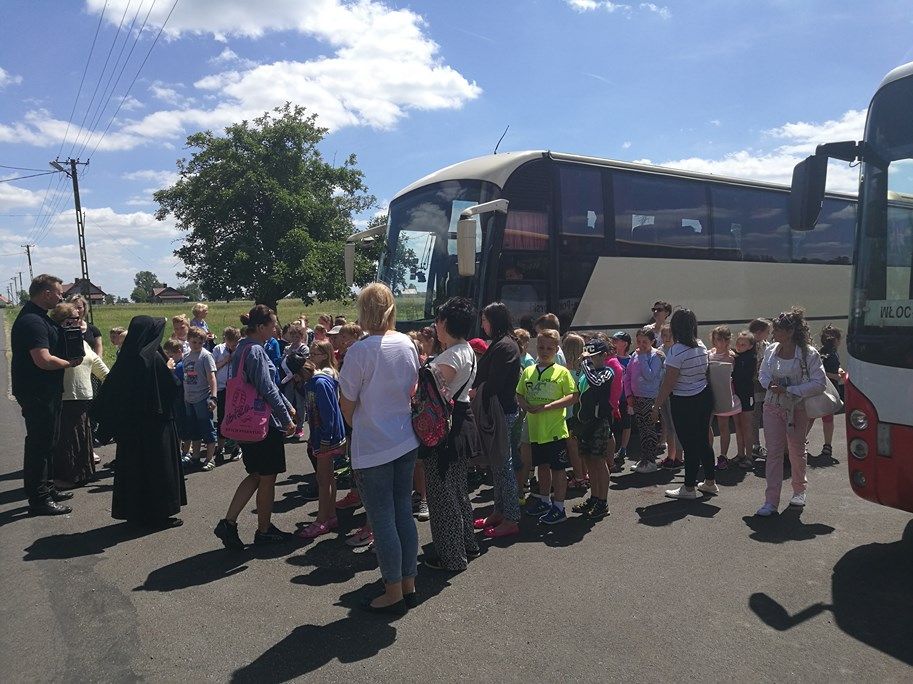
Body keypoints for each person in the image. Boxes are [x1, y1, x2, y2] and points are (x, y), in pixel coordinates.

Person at [338, 283, 420, 614]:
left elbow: (347, 403)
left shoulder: (360, 351)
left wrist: (360, 424)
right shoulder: (407, 343)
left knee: (383, 518)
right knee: (403, 512)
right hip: (405, 438)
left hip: (373, 445)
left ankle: (393, 591)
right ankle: (408, 583)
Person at [214, 305, 296, 547]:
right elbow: (267, 387)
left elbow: (262, 383)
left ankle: (229, 522)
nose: (276, 328)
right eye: (272, 324)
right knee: (268, 477)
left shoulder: (242, 347)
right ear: (260, 327)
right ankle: (264, 529)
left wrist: (286, 405)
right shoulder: (256, 350)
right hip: (262, 423)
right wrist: (286, 418)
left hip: (244, 421)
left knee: (256, 474)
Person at [93, 316, 187, 527]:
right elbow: (172, 387)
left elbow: (110, 392)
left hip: (130, 428)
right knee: (158, 468)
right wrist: (169, 369)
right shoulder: (154, 359)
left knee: (134, 470)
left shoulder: (126, 358)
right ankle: (159, 514)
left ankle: (134, 512)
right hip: (156, 425)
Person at [422, 297, 482, 570]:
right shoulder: (466, 349)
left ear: (445, 322)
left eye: (438, 320)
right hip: (459, 423)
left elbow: (432, 393)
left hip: (445, 429)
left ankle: (452, 557)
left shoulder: (450, 356)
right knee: (457, 491)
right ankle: (467, 544)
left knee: (442, 496)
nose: (436, 325)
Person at [11, 274, 79, 515]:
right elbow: (43, 360)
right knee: (40, 444)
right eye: (59, 292)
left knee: (49, 441)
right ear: (46, 293)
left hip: (46, 390)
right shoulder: (33, 321)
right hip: (37, 391)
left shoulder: (40, 317)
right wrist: (70, 364)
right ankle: (39, 499)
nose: (61, 297)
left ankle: (48, 488)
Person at [756, 308, 826, 516]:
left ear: (790, 331)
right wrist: (770, 385)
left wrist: (789, 390)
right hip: (772, 406)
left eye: (778, 329)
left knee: (796, 450)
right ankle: (771, 501)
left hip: (797, 408)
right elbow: (763, 374)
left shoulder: (808, 353)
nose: (774, 333)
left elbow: (819, 383)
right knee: (774, 453)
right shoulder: (771, 350)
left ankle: (799, 490)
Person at [652, 308, 717, 500]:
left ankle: (689, 488)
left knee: (689, 444)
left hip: (684, 400)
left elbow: (669, 383)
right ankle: (710, 482)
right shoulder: (701, 345)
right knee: (703, 440)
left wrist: (656, 406)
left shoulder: (677, 350)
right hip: (703, 396)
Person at [517, 328, 579, 524]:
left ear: (557, 349)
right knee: (542, 467)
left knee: (558, 469)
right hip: (536, 431)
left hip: (554, 431)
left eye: (549, 348)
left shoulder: (562, 372)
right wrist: (525, 405)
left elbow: (573, 396)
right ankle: (544, 501)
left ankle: (559, 507)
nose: (544, 351)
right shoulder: (529, 371)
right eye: (541, 347)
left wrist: (549, 406)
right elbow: (519, 393)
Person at [471, 302, 522, 539]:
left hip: (502, 412)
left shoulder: (505, 346)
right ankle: (500, 512)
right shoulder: (502, 343)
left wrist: (475, 391)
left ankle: (511, 518)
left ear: (495, 321)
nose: (482, 324)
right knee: (499, 465)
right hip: (499, 410)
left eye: (485, 320)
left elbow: (495, 383)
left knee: (503, 466)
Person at [49, 303, 109, 489]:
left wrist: (113, 381)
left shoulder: (82, 342)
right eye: (75, 318)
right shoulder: (55, 341)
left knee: (82, 437)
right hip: (65, 396)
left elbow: (97, 365)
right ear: (63, 321)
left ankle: (80, 474)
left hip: (83, 396)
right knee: (68, 439)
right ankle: (65, 478)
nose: (80, 321)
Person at [289, 357, 347, 540]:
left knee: (323, 479)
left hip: (326, 438)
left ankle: (321, 520)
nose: (295, 380)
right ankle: (331, 515)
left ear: (301, 372)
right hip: (321, 436)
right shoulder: (311, 384)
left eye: (296, 376)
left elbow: (329, 413)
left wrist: (325, 438)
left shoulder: (320, 383)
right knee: (328, 477)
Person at [568, 339, 614, 520]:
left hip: (598, 423)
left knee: (599, 461)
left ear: (604, 356)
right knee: (588, 461)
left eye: (594, 357)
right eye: (587, 357)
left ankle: (603, 502)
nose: (589, 360)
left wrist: (586, 363)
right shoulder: (585, 372)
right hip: (584, 423)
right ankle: (594, 497)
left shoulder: (607, 372)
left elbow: (596, 383)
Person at [624, 327, 663, 473]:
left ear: (652, 341)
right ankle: (644, 458)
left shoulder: (655, 356)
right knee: (642, 429)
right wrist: (629, 394)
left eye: (645, 342)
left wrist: (642, 357)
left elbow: (650, 376)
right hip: (636, 396)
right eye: (639, 341)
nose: (641, 345)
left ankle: (651, 460)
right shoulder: (635, 354)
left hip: (649, 397)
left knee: (649, 429)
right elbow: (627, 375)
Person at [808, 325, 847, 462]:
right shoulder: (830, 354)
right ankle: (827, 445)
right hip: (828, 391)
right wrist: (837, 376)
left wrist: (839, 370)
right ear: (836, 340)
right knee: (827, 419)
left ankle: (801, 441)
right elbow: (824, 373)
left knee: (811, 416)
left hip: (817, 391)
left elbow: (834, 367)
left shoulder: (822, 352)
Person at [183, 326, 219, 471]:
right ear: (188, 340)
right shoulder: (186, 356)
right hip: (189, 398)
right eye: (194, 342)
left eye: (200, 342)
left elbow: (212, 378)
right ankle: (196, 456)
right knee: (194, 430)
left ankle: (210, 459)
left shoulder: (205, 356)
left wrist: (213, 397)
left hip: (202, 397)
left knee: (207, 428)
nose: (196, 345)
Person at [708, 325, 739, 469]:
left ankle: (723, 456)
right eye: (718, 339)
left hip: (724, 393)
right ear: (713, 340)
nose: (722, 342)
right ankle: (707, 454)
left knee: (723, 426)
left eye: (725, 339)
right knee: (706, 425)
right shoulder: (708, 354)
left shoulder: (731, 357)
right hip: (709, 394)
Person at [212, 327, 242, 463]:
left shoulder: (240, 350)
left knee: (236, 417)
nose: (232, 347)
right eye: (230, 344)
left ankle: (237, 447)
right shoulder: (218, 349)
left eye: (235, 344)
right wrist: (225, 360)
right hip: (222, 388)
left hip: (235, 388)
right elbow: (212, 368)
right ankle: (220, 447)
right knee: (222, 417)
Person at [656, 324, 683, 469]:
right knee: (667, 424)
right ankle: (670, 456)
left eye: (670, 335)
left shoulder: (676, 350)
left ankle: (679, 457)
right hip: (662, 392)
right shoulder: (659, 350)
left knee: (676, 425)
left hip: (674, 392)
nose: (667, 338)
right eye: (664, 335)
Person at [732, 331, 758, 469]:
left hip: (746, 395)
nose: (739, 346)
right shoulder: (734, 356)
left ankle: (749, 456)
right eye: (738, 343)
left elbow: (744, 375)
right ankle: (740, 453)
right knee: (737, 425)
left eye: (743, 344)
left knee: (746, 425)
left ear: (750, 346)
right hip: (735, 394)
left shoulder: (750, 358)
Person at [748, 318, 772, 460]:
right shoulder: (749, 345)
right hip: (755, 384)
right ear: (758, 332)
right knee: (755, 415)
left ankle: (769, 445)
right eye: (767, 332)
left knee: (767, 415)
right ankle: (755, 445)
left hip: (765, 384)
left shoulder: (767, 345)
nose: (769, 334)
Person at [610, 331, 633, 467]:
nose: (613, 343)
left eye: (616, 340)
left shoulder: (630, 360)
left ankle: (623, 448)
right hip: (613, 397)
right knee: (612, 424)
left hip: (626, 397)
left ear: (625, 344)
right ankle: (610, 450)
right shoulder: (612, 358)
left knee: (626, 423)